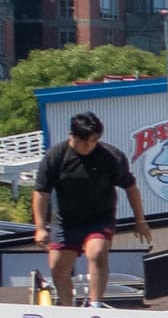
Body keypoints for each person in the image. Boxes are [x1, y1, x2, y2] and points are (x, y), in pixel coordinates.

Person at [32, 112, 146, 306]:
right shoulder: (56, 157)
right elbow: (41, 193)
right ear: (72, 136)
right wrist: (40, 227)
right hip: (66, 221)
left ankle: (95, 305)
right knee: (57, 265)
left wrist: (140, 221)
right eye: (84, 142)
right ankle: (68, 309)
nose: (88, 147)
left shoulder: (111, 157)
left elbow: (130, 188)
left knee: (97, 252)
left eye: (93, 142)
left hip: (99, 218)